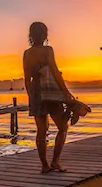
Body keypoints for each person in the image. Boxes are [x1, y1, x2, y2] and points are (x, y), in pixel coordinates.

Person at [24, 22, 74, 173]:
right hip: (51, 93)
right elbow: (55, 71)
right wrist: (66, 92)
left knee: (41, 131)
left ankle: (44, 165)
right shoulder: (48, 50)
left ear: (31, 35)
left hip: (35, 93)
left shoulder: (27, 54)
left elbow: (27, 79)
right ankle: (55, 161)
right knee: (63, 127)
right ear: (45, 34)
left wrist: (31, 97)